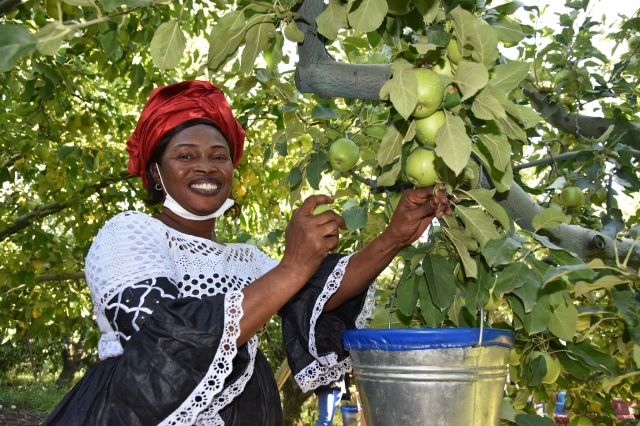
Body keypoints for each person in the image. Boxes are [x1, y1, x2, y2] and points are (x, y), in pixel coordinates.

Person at [43, 80, 453, 426]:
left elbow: (313, 298)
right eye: (185, 156)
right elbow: (163, 343)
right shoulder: (128, 233)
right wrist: (292, 265)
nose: (206, 167)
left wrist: (394, 238)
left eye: (219, 156)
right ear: (155, 171)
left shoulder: (244, 258)